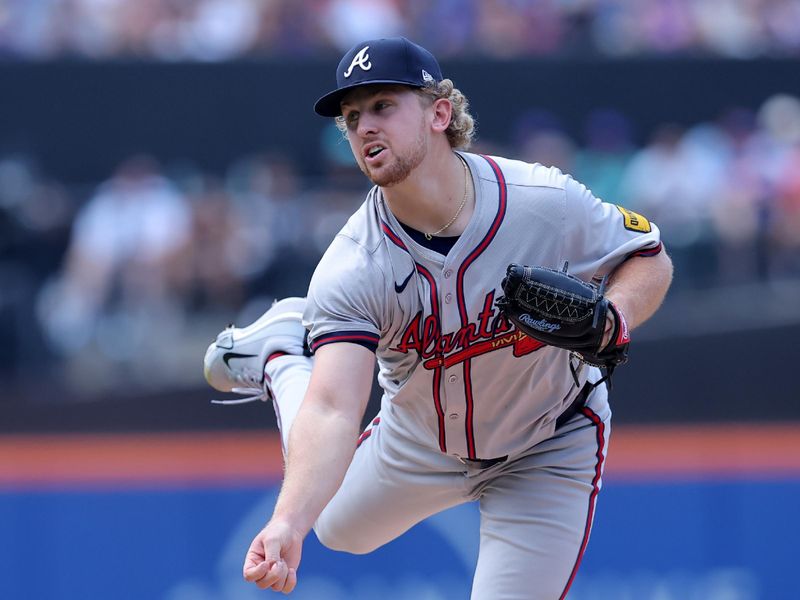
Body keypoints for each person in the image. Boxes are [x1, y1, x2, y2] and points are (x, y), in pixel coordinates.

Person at [203, 37, 673, 599]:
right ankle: (284, 355)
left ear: (439, 112)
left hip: (550, 438)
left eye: (383, 105)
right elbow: (332, 407)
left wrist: (616, 317)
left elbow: (648, 257)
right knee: (332, 525)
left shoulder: (541, 200)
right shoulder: (353, 264)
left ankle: (284, 352)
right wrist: (286, 521)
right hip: (421, 439)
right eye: (352, 118)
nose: (364, 127)